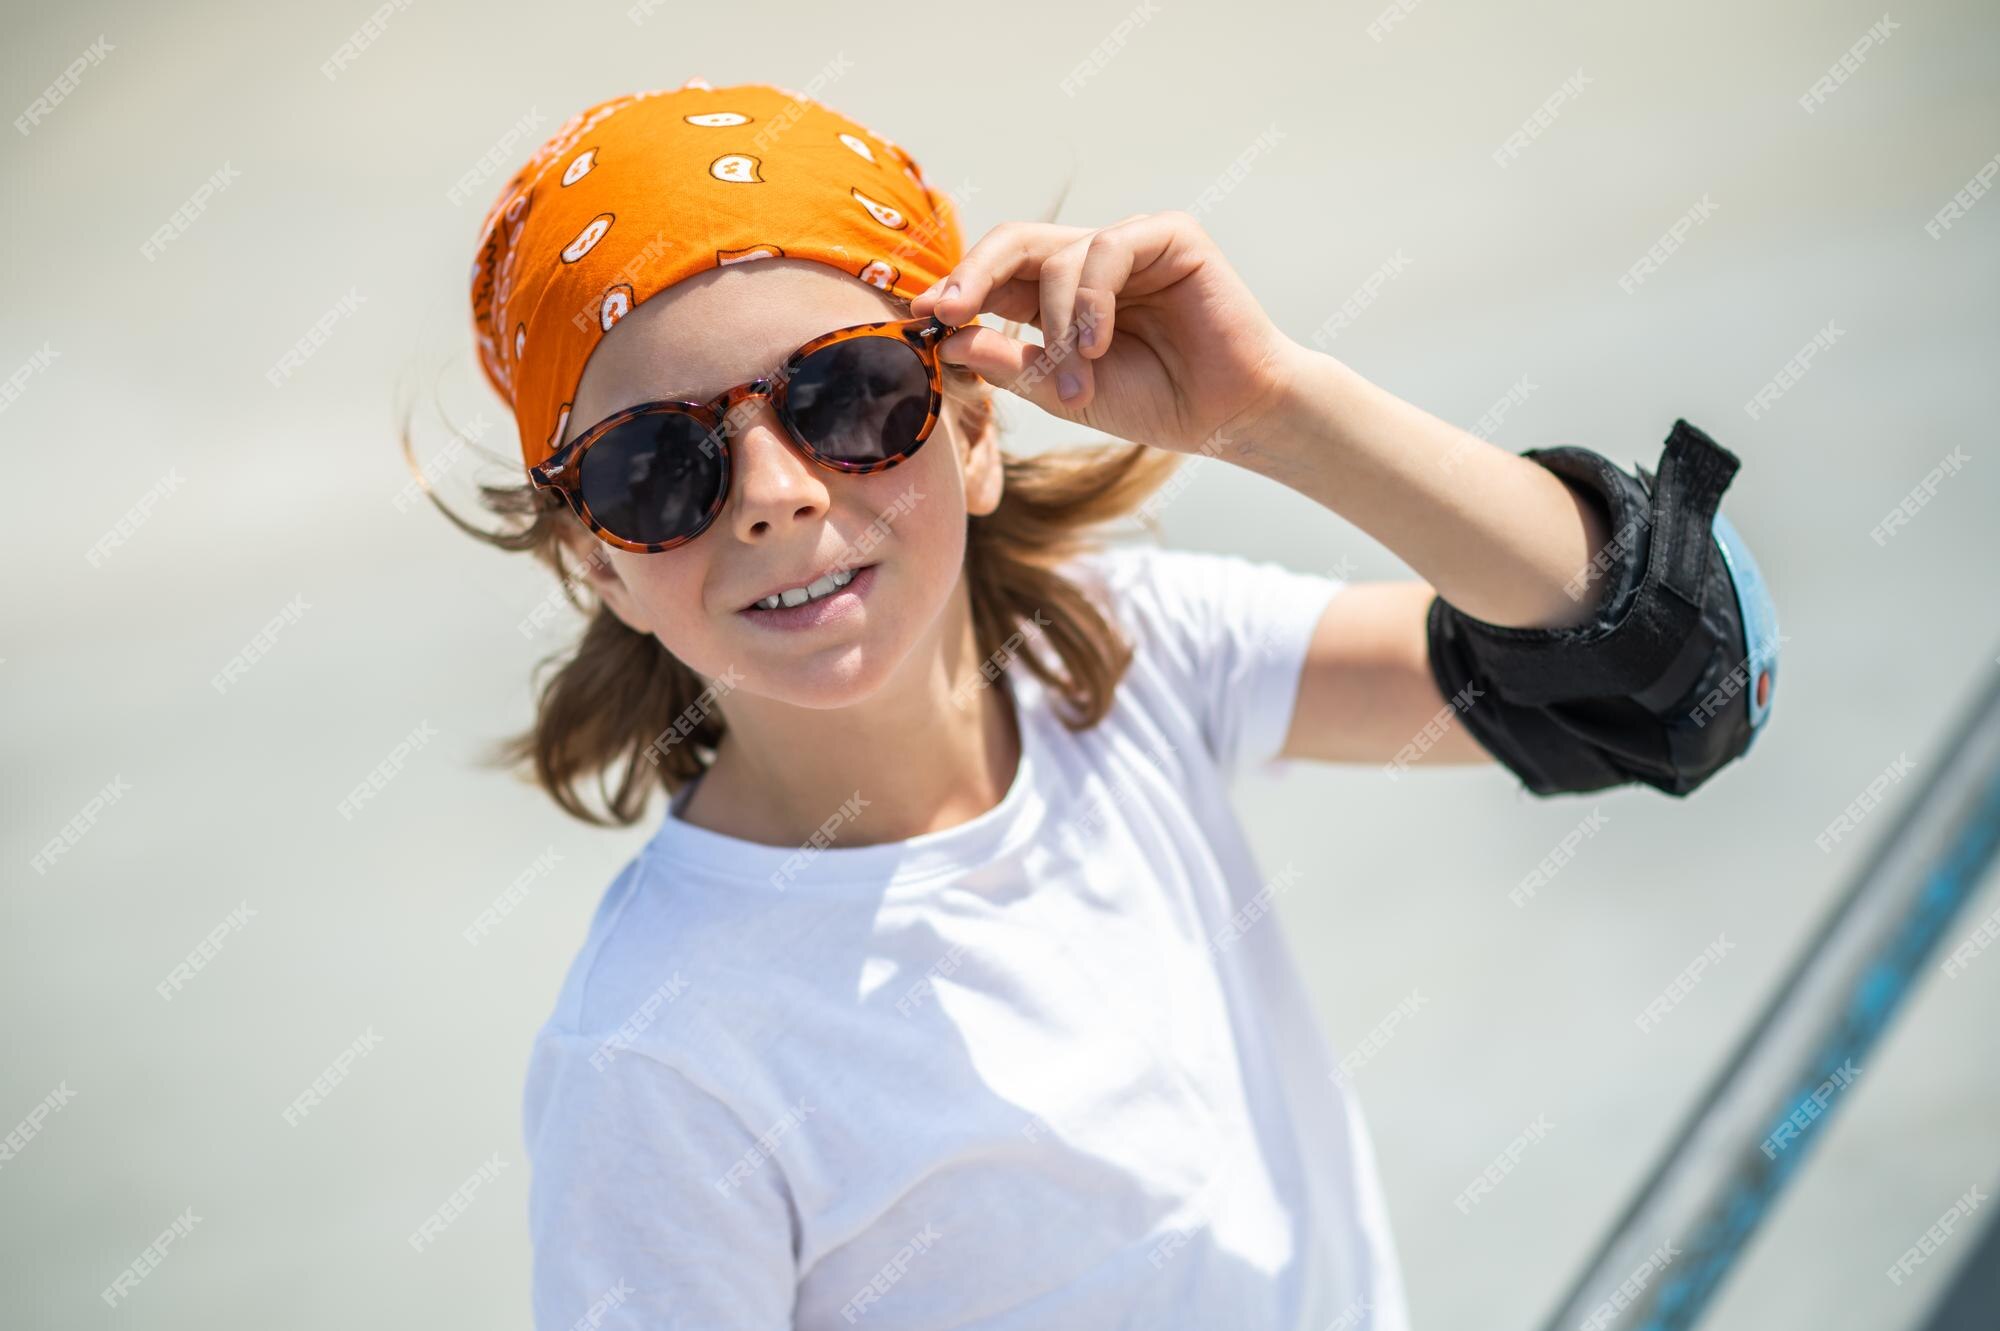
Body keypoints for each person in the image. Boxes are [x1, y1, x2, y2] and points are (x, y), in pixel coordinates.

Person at [425, 75, 1767, 1331]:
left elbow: (1665, 680)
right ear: (595, 559)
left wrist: (1276, 410)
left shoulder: (1125, 666)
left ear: (970, 428)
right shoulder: (656, 1061)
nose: (775, 490)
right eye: (658, 467)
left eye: (846, 395)